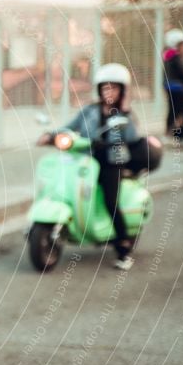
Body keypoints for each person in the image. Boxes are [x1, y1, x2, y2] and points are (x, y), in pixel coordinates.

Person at [38, 63, 162, 271]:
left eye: (114, 87)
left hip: (111, 162)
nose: (109, 91)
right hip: (86, 161)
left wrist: (122, 119)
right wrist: (51, 135)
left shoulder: (125, 115)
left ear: (122, 90)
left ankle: (123, 248)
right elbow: (70, 127)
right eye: (105, 87)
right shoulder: (89, 110)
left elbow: (131, 137)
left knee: (110, 200)